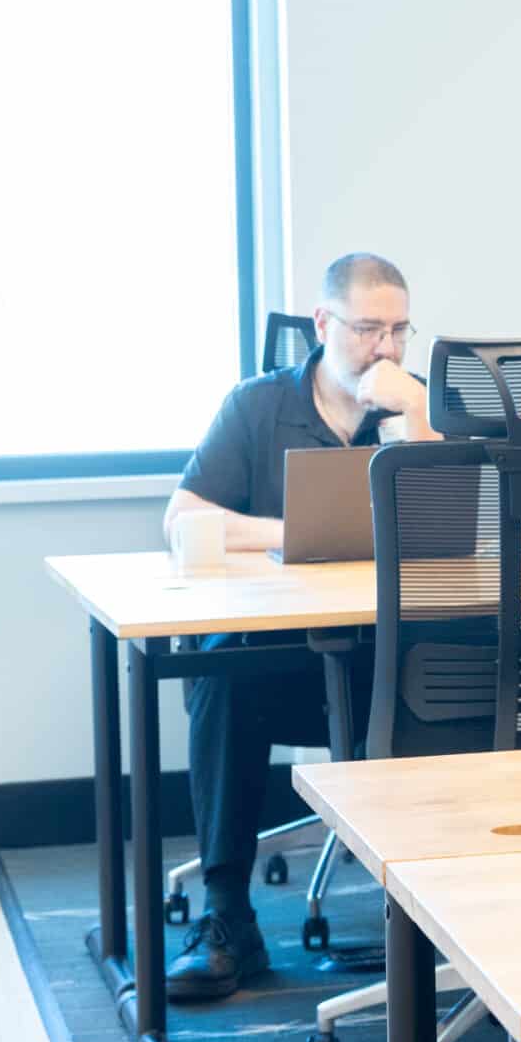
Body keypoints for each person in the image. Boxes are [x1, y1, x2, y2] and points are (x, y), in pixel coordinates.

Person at [158, 251, 439, 1000]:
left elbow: (447, 528)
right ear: (323, 324)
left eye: (399, 331)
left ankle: (448, 920)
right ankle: (227, 921)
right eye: (368, 329)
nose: (385, 348)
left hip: (386, 666)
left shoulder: (411, 413)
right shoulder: (255, 407)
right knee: (217, 673)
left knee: (480, 669)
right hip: (280, 668)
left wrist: (413, 418)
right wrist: (285, 531)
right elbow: (181, 516)